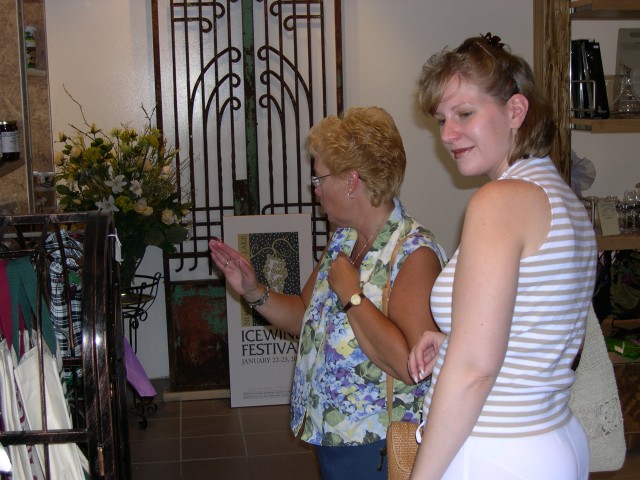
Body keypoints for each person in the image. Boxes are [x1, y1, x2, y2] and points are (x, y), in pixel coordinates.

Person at [209, 106, 447, 479]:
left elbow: (409, 366)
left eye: (319, 179)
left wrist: (352, 296)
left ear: (352, 181)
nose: (315, 190)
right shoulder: (344, 240)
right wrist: (253, 290)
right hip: (332, 439)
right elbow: (305, 313)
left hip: (376, 446)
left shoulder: (413, 254)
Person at [407, 34, 597, 480]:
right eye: (441, 120)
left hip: (497, 451)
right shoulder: (564, 199)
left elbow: (476, 370)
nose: (448, 135)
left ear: (515, 111)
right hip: (551, 437)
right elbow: (536, 329)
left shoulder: (501, 200)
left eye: (465, 114)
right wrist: (453, 339)